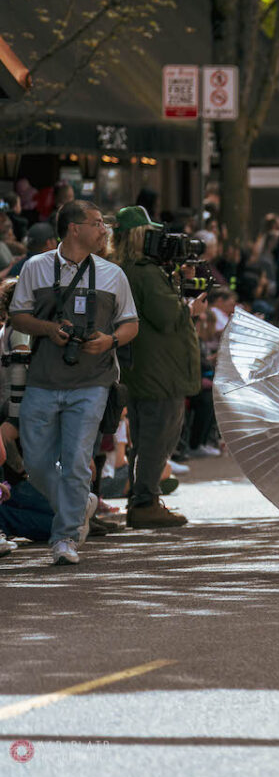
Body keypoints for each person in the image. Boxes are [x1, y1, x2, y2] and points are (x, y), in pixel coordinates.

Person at [8, 200, 139, 565]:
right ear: (74, 228)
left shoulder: (114, 274)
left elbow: (131, 324)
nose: (104, 230)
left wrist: (109, 340)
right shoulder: (35, 268)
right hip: (43, 378)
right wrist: (49, 329)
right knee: (35, 461)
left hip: (93, 380)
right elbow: (18, 316)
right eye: (97, 223)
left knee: (79, 459)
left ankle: (64, 538)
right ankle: (80, 504)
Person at [113, 205, 203, 528]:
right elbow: (166, 317)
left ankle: (141, 498)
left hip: (146, 369)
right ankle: (145, 502)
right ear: (140, 236)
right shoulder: (142, 271)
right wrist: (189, 307)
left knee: (145, 435)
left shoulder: (124, 269)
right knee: (157, 435)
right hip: (158, 371)